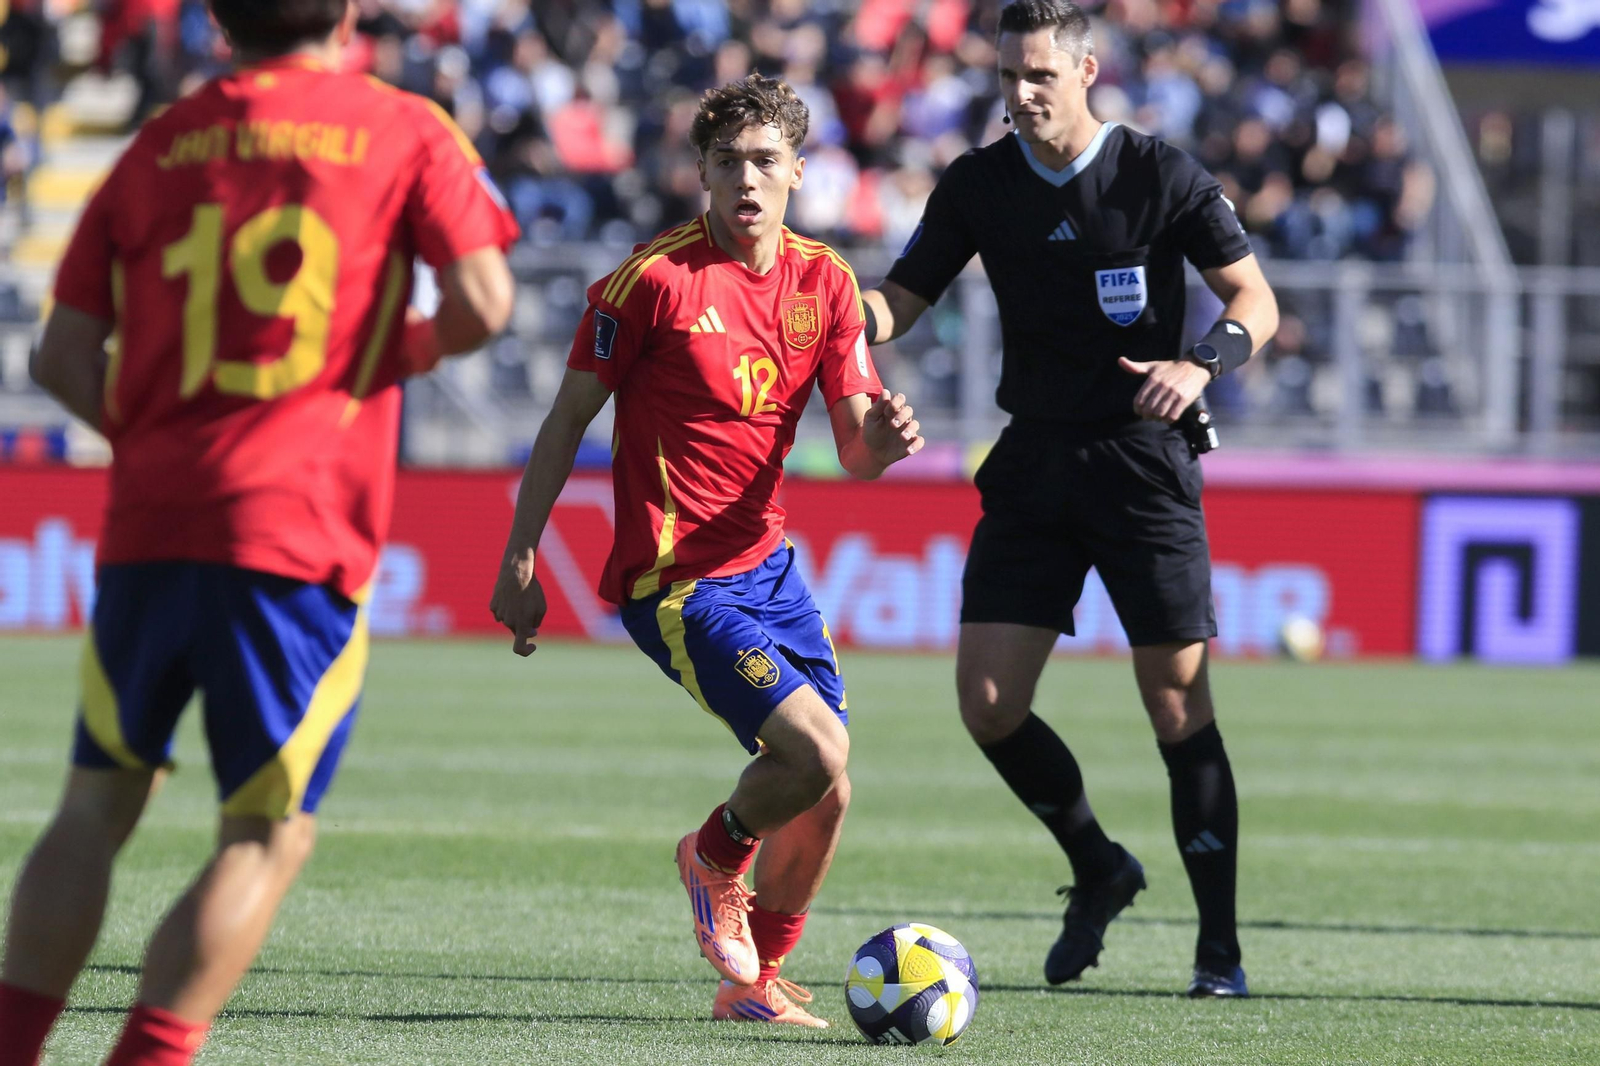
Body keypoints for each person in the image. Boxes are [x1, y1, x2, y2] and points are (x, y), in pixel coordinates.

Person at [0, 2, 518, 1062]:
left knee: (94, 806)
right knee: (264, 832)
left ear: (220, 21)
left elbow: (58, 358)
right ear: (348, 12)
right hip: (294, 529)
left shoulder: (159, 141)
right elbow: (484, 300)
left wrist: (153, 440)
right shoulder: (402, 127)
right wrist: (401, 351)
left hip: (150, 524)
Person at [860, 0, 1279, 998]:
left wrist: (1199, 363)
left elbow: (1255, 300)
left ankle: (1218, 951)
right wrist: (828, 311)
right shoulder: (980, 181)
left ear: (1087, 72)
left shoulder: (1159, 173)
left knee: (1176, 704)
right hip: (1035, 458)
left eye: (1039, 74)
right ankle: (1099, 865)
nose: (1020, 93)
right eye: (1008, 75)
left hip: (1142, 463)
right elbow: (900, 301)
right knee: (988, 704)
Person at [490, 74, 923, 1028]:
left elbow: (856, 450)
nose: (747, 179)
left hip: (770, 569)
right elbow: (566, 419)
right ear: (702, 172)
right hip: (677, 582)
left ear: (799, 171)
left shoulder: (826, 283)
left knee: (826, 789)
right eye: (728, 162)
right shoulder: (651, 282)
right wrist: (521, 556)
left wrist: (884, 444)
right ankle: (713, 856)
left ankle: (753, 983)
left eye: (766, 161)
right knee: (815, 749)